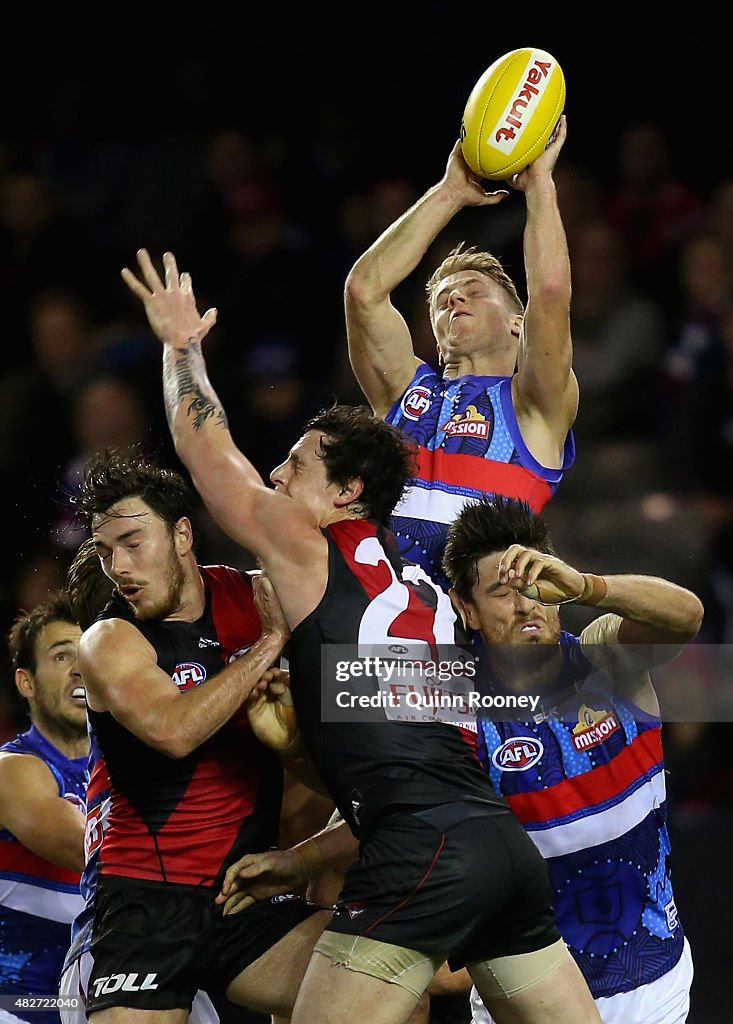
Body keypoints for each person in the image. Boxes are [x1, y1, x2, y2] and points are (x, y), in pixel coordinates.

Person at [120, 246, 602, 1024]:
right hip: (499, 851)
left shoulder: (313, 556)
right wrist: (296, 758)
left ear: (348, 493)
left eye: (295, 467)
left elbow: (203, 444)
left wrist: (181, 345)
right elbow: (397, 751)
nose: (276, 480)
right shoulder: (430, 599)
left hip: (421, 859)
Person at [66, 449, 332, 1024]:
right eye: (106, 551)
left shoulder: (253, 594)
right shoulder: (108, 640)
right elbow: (173, 731)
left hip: (243, 897)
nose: (119, 566)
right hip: (145, 904)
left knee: (395, 991)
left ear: (182, 534)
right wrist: (268, 644)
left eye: (133, 543)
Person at [441, 494, 703, 1024]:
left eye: (537, 586)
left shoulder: (606, 658)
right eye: (502, 592)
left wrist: (589, 587)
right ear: (465, 608)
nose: (526, 605)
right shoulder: (456, 715)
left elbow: (687, 616)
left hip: (653, 993)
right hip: (521, 1008)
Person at [343, 116, 577, 592]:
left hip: (479, 632)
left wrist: (539, 186)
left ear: (518, 323)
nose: (454, 299)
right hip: (378, 626)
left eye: (471, 290)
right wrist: (450, 191)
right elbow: (364, 290)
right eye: (442, 299)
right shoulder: (403, 390)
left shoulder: (533, 403)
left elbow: (550, 292)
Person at [0, 593, 88, 1024]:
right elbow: (87, 851)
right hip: (22, 1006)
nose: (80, 668)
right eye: (60, 655)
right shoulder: (11, 770)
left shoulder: (128, 765)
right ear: (26, 682)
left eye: (88, 652)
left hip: (103, 996)